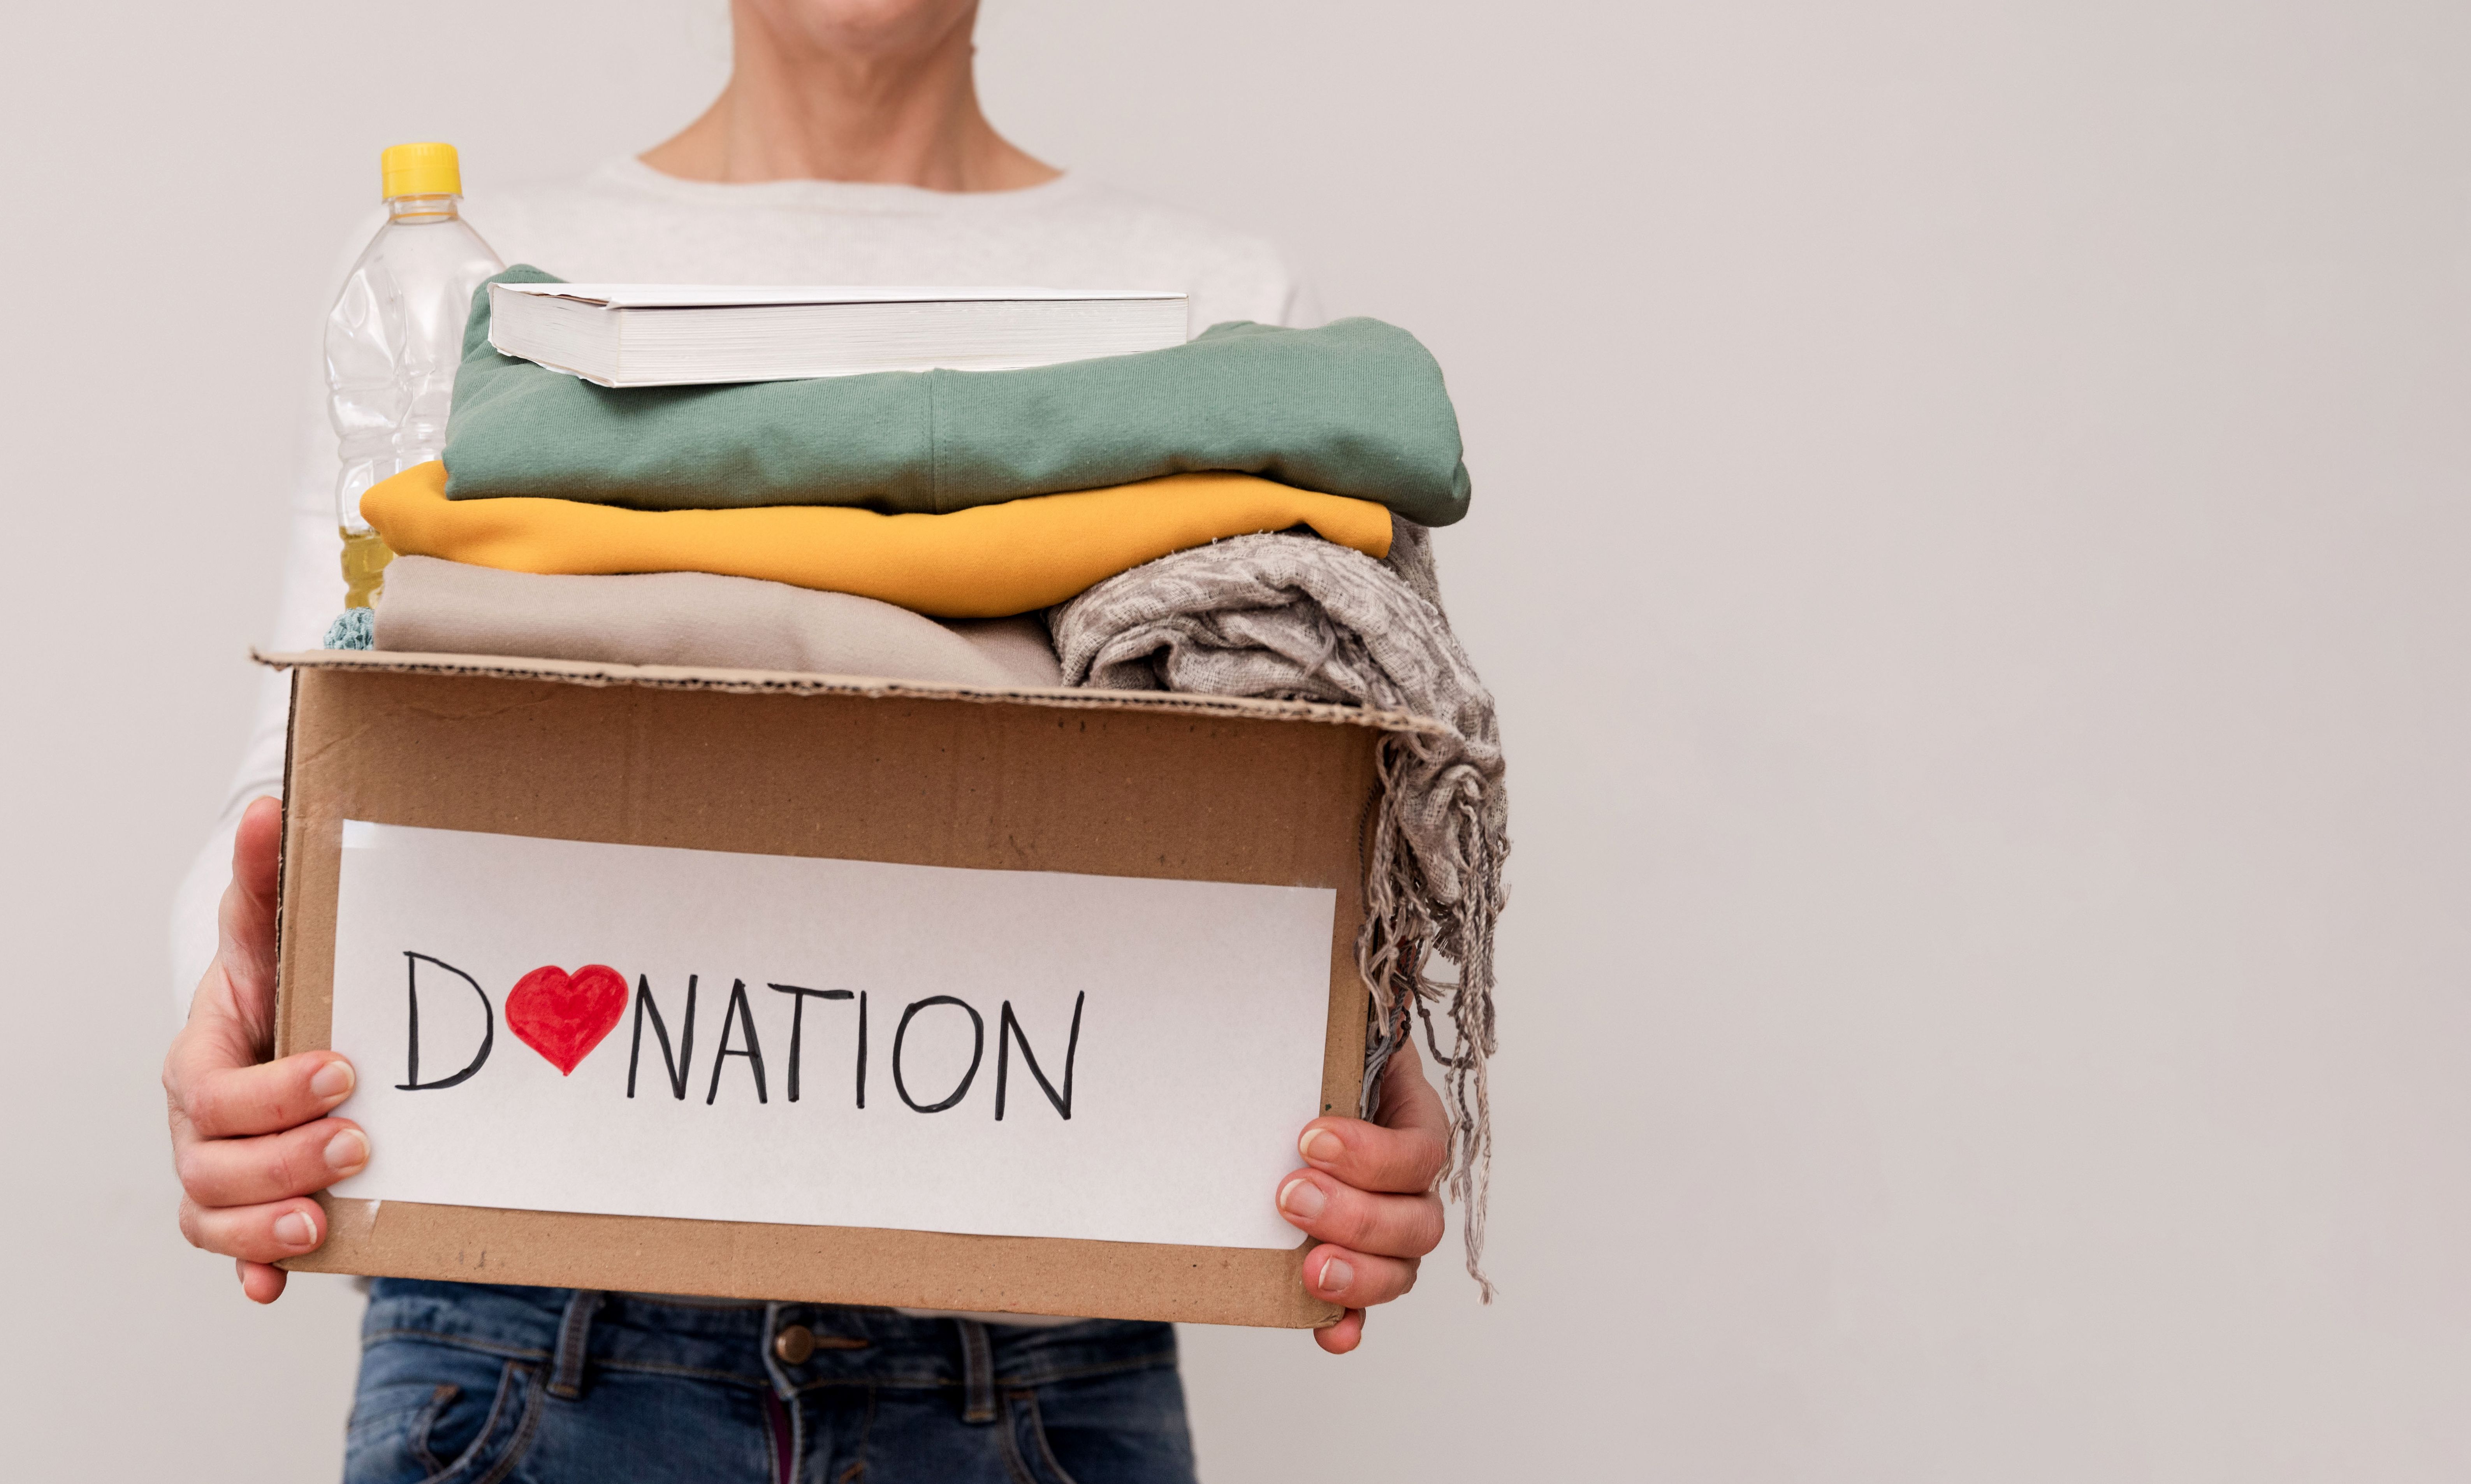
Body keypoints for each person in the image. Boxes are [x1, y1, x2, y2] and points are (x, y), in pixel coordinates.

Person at [163, 2, 1456, 1480]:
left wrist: (1359, 1046)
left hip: (1029, 1332)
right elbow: (319, 755)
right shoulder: (464, 272)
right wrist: (224, 1030)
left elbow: (1279, 817)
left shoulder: (1219, 307)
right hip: (521, 1310)